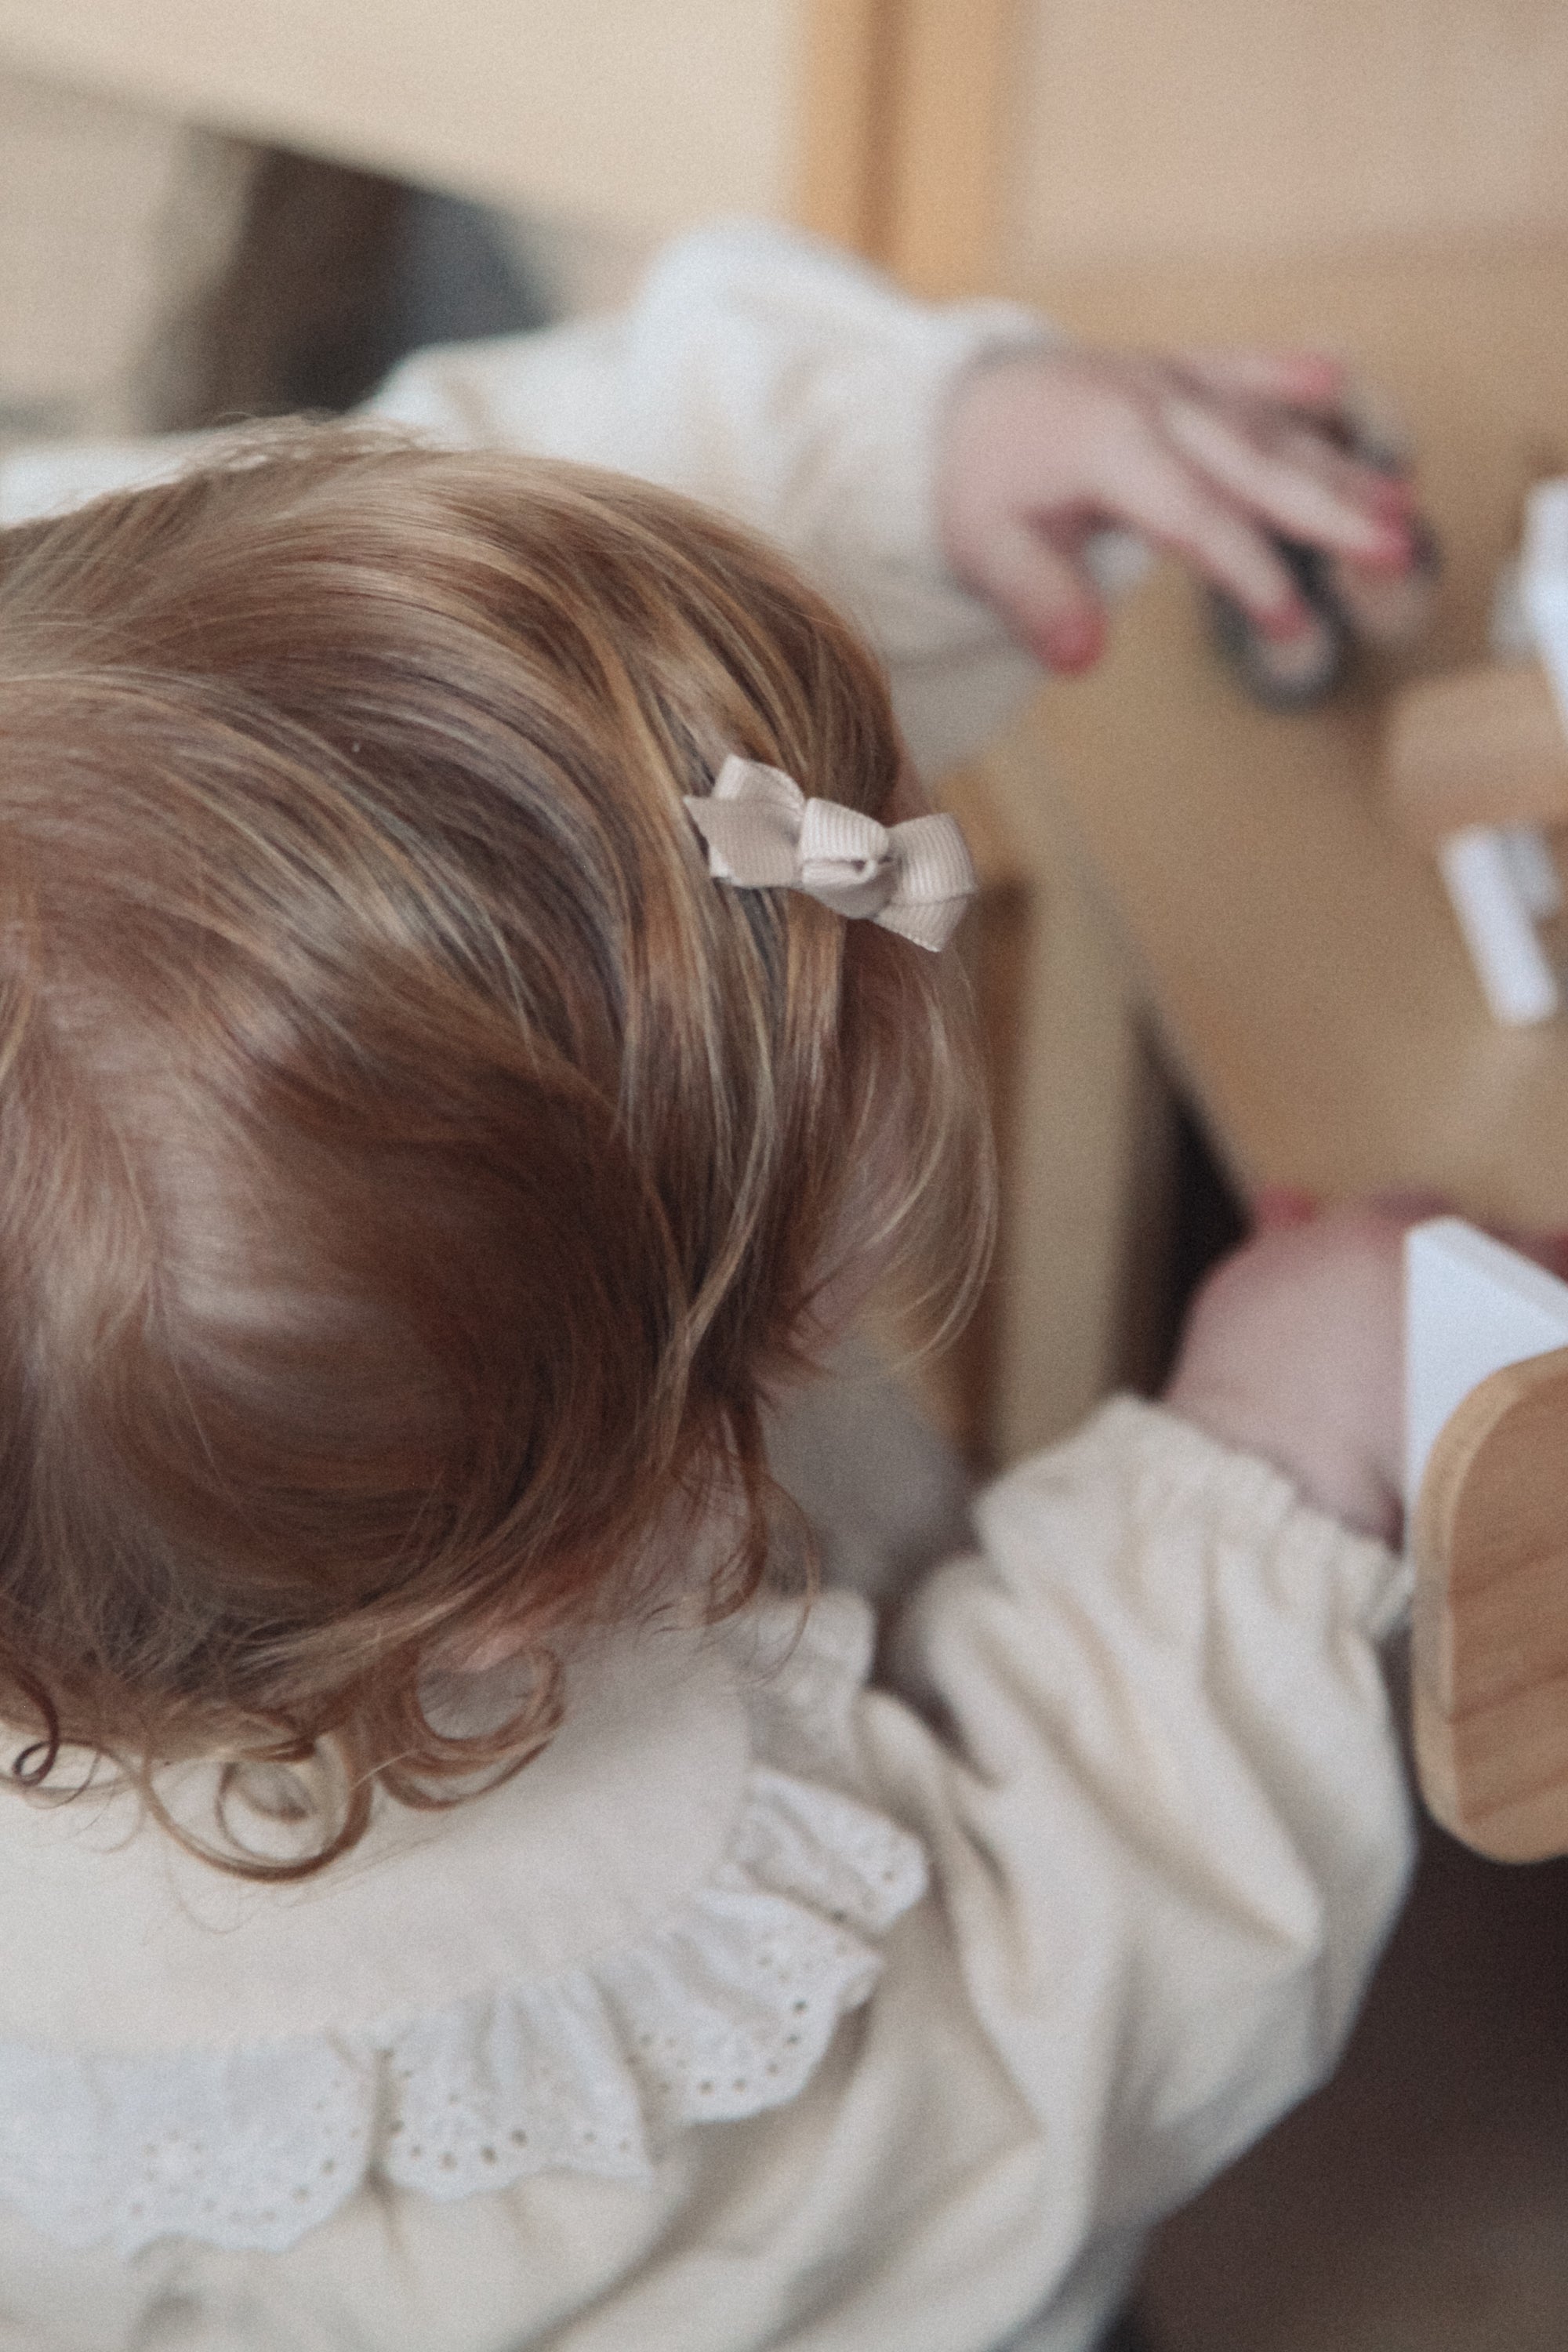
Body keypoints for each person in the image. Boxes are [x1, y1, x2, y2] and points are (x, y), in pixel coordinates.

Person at [0, 226, 1420, 2352]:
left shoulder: (65, 680)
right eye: (806, 1295)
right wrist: (1262, 1499)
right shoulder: (485, 2065)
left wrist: (912, 459)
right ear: (568, 1566)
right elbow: (1005, 2089)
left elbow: (423, 517)